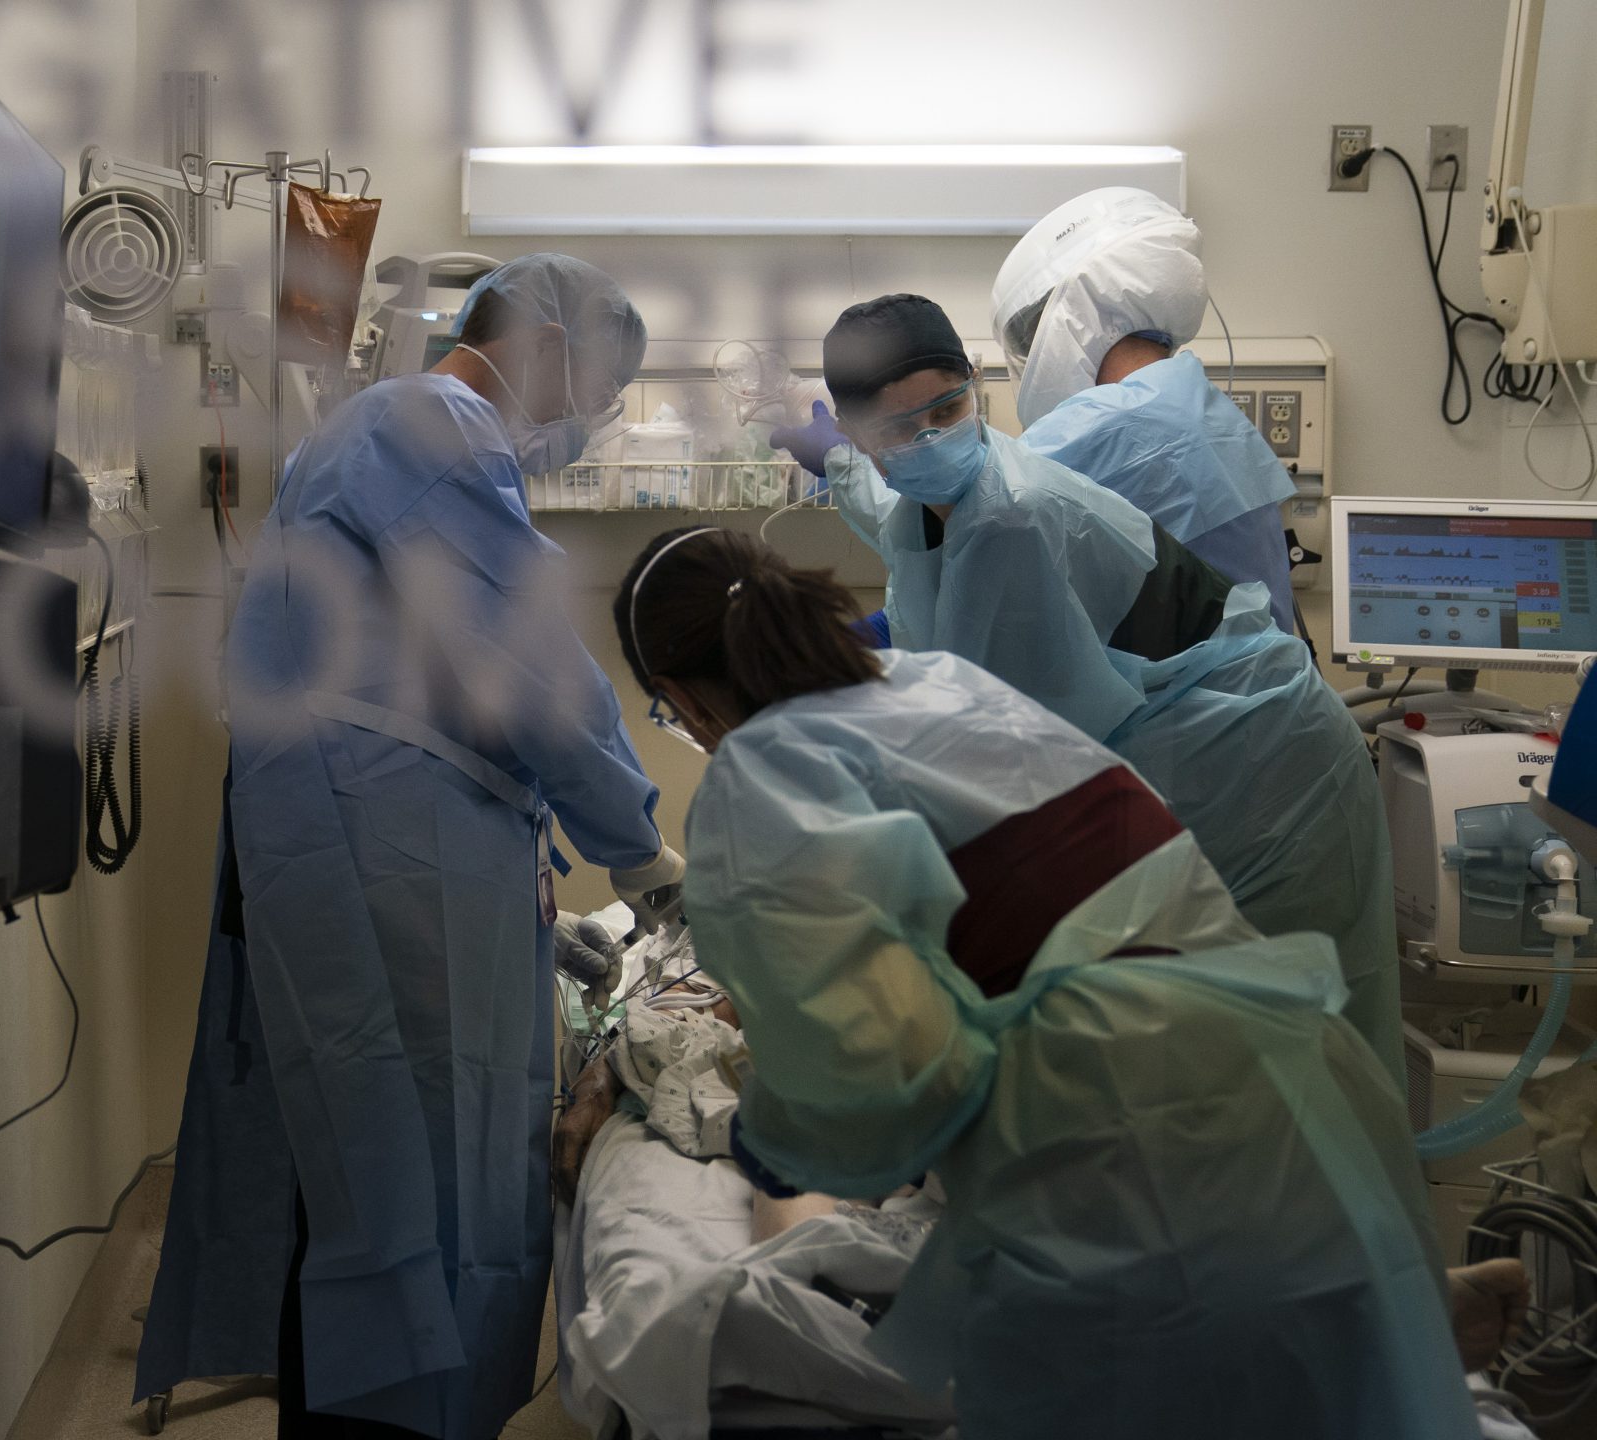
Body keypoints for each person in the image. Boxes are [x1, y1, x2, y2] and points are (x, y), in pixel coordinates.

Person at [602, 525, 1480, 1440]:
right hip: (1276, 1060)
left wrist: (775, 1141)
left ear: (678, 698)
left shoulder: (760, 777)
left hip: (1110, 1119)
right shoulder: (937, 682)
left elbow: (878, 1087)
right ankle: (1394, 1317)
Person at [136, 253, 684, 1440]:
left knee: (360, 1167)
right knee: (402, 1178)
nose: (587, 423)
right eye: (596, 389)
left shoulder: (402, 430)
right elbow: (526, 652)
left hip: (367, 827)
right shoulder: (429, 422)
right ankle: (389, 1420)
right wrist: (641, 848)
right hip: (373, 847)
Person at [768, 293, 1400, 1077]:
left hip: (1265, 771)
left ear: (975, 385)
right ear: (865, 438)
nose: (932, 439)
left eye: (948, 407)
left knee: (1288, 1052)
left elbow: (1007, 770)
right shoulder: (941, 487)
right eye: (899, 429)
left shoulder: (1013, 516)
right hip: (1193, 757)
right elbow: (896, 500)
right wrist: (828, 457)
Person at [991, 186, 1298, 631]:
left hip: (1177, 700)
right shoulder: (1193, 404)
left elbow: (977, 529)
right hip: (1264, 693)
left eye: (1027, 340)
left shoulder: (1098, 431)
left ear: (1072, 315)